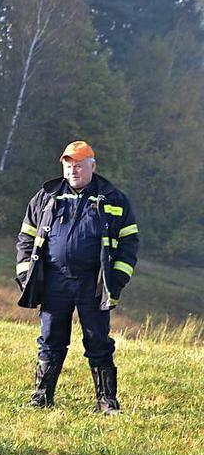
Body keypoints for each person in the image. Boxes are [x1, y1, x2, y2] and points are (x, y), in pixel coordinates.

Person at [15, 140, 139, 414]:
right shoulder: (46, 196)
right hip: (54, 281)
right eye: (69, 165)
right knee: (50, 339)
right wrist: (26, 275)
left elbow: (129, 243)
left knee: (98, 341)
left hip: (92, 283)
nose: (74, 171)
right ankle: (41, 397)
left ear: (92, 166)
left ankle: (107, 403)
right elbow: (26, 237)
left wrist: (116, 279)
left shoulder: (114, 199)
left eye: (79, 166)